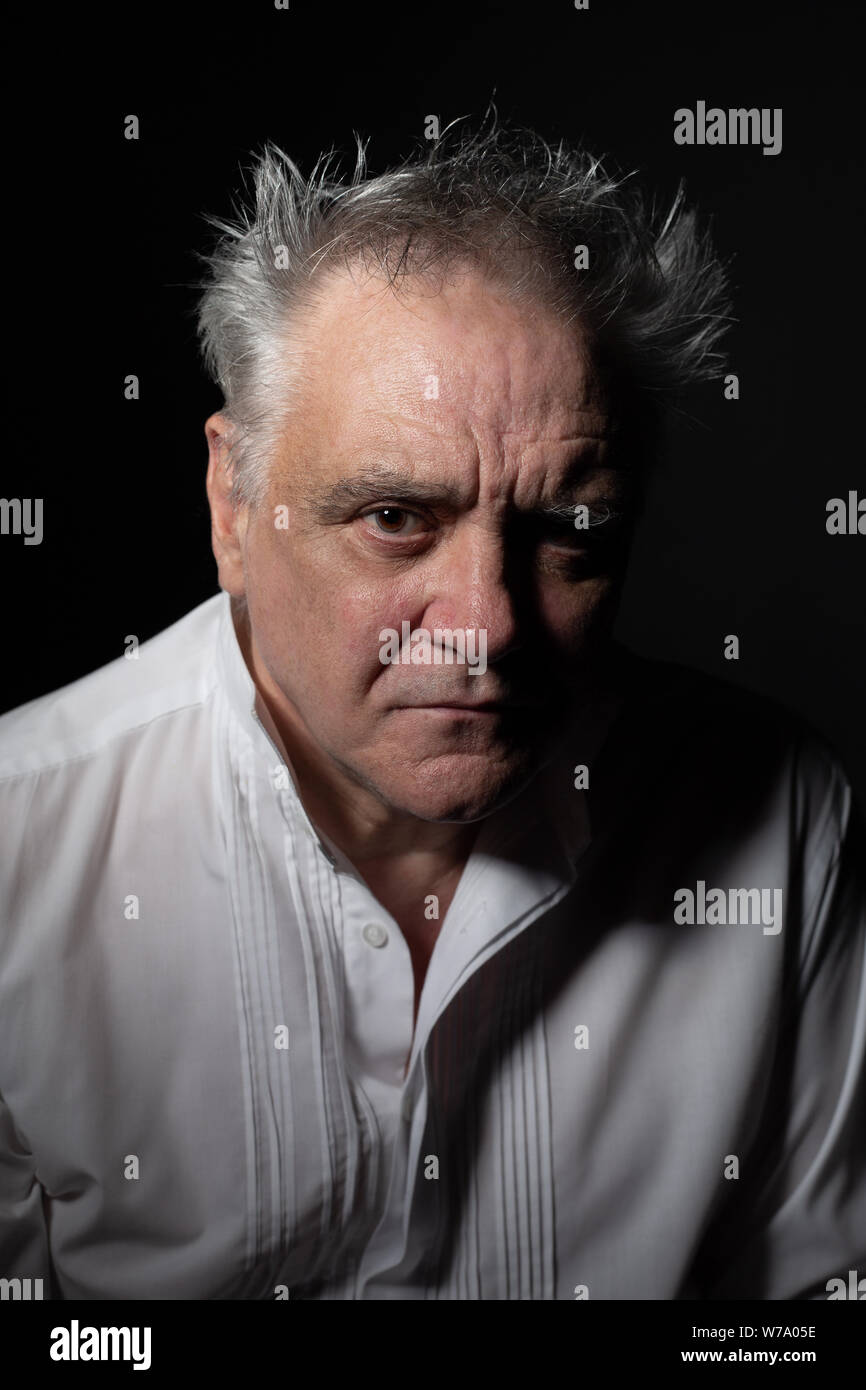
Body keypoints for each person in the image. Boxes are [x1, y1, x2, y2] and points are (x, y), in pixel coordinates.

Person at [1, 117, 863, 1301]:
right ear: (232, 505)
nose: (488, 624)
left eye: (568, 532)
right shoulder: (16, 852)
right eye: (395, 518)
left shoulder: (785, 819)